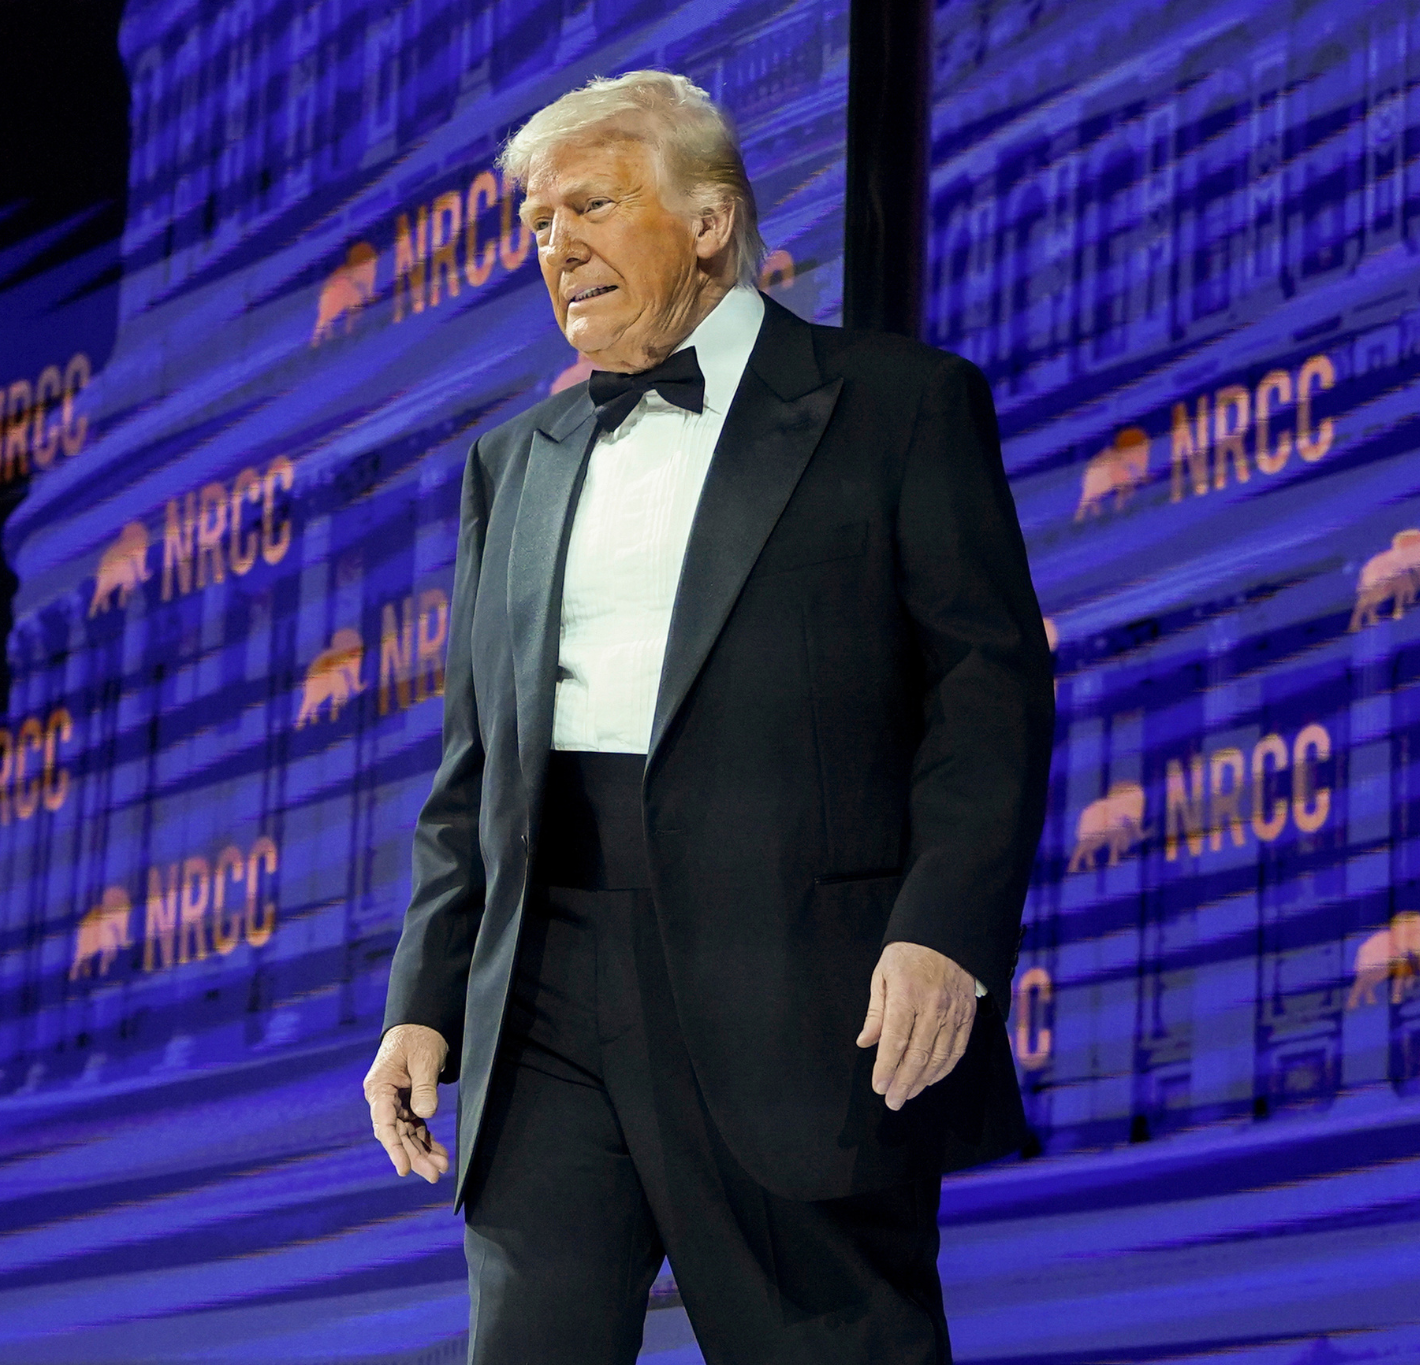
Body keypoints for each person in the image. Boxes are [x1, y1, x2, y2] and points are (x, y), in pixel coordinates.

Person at [360, 71, 1053, 1364]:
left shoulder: (898, 405)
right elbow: (477, 766)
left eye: (592, 207)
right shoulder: (512, 462)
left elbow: (987, 696)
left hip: (801, 987)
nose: (555, 245)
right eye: (537, 222)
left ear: (710, 224)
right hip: (548, 989)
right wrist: (426, 999)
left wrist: (944, 933)